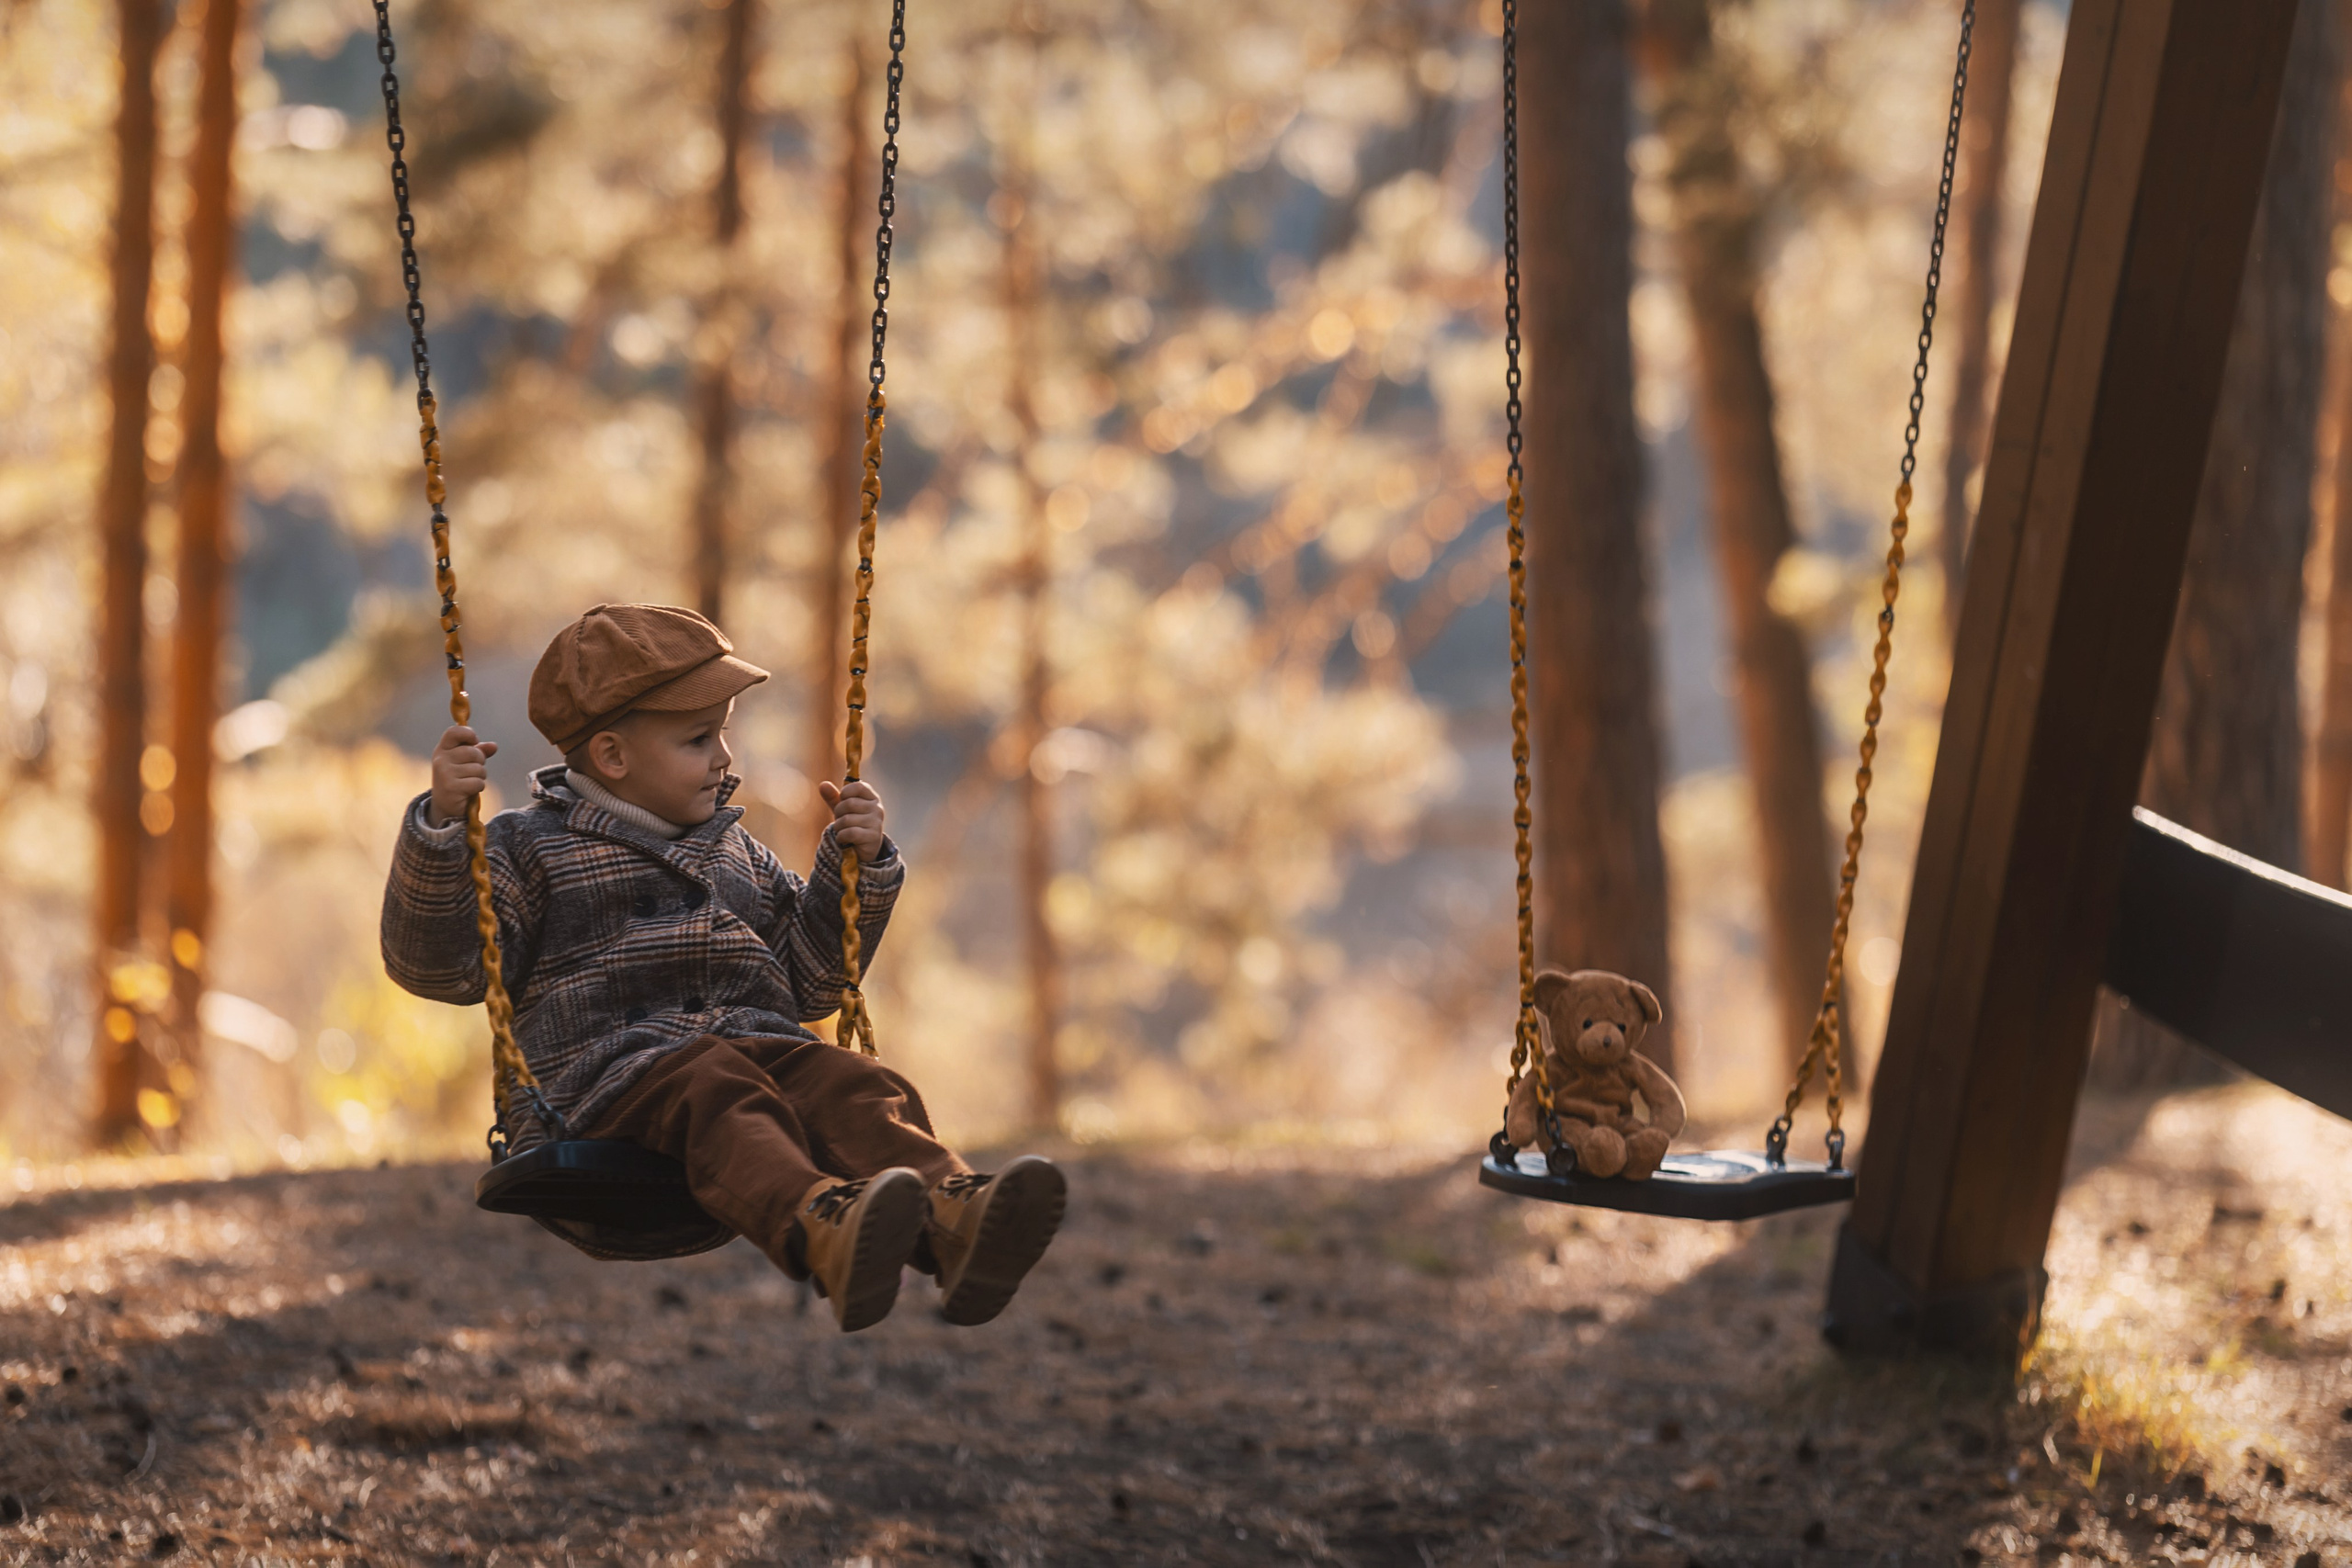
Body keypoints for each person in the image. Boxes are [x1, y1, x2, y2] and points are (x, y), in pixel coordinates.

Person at [381, 603, 1064, 1332]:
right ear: (612, 757)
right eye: (698, 738)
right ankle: (819, 1223)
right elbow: (439, 967)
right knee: (713, 1080)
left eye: (724, 733)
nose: (724, 757)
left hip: (757, 1059)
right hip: (607, 1093)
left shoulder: (737, 852)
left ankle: (951, 1211)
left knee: (854, 1081)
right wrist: (442, 831)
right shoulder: (527, 848)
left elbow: (811, 983)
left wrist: (851, 873)